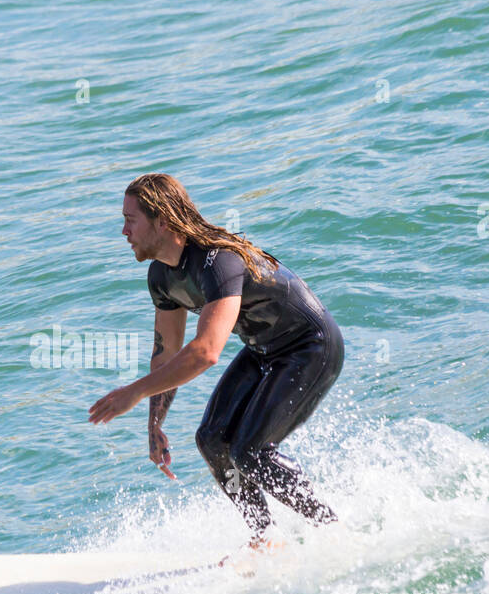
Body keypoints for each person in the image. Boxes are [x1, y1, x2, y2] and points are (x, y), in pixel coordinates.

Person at [88, 173, 344, 555]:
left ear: (162, 221)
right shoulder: (160, 275)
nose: (124, 231)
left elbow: (206, 351)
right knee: (211, 439)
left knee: (251, 451)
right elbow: (168, 351)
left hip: (311, 346)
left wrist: (135, 392)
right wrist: (154, 423)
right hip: (263, 349)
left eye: (131, 219)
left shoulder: (217, 262)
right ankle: (264, 536)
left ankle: (333, 529)